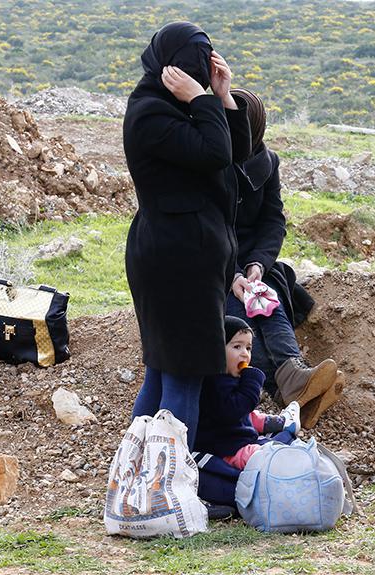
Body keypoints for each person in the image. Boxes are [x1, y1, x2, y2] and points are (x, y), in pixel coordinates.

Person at [122, 22, 251, 450]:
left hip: (187, 257)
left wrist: (222, 96)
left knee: (164, 373)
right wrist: (199, 99)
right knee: (183, 375)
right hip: (174, 261)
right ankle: (169, 488)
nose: (197, 69)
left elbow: (237, 153)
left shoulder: (176, 107)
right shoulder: (150, 114)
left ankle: (139, 485)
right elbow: (214, 153)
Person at [225, 88, 342, 429]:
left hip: (252, 261)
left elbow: (273, 220)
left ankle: (291, 371)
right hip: (212, 261)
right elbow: (207, 230)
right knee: (236, 313)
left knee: (269, 292)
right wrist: (232, 276)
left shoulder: (266, 162)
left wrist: (257, 267)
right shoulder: (210, 167)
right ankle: (284, 387)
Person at [195, 316, 300, 470]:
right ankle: (279, 432)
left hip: (231, 430)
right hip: (228, 446)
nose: (245, 354)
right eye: (237, 346)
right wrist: (253, 381)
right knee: (265, 456)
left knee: (252, 416)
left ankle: (282, 422)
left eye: (248, 348)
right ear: (217, 348)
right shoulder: (214, 382)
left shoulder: (227, 376)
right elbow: (239, 407)